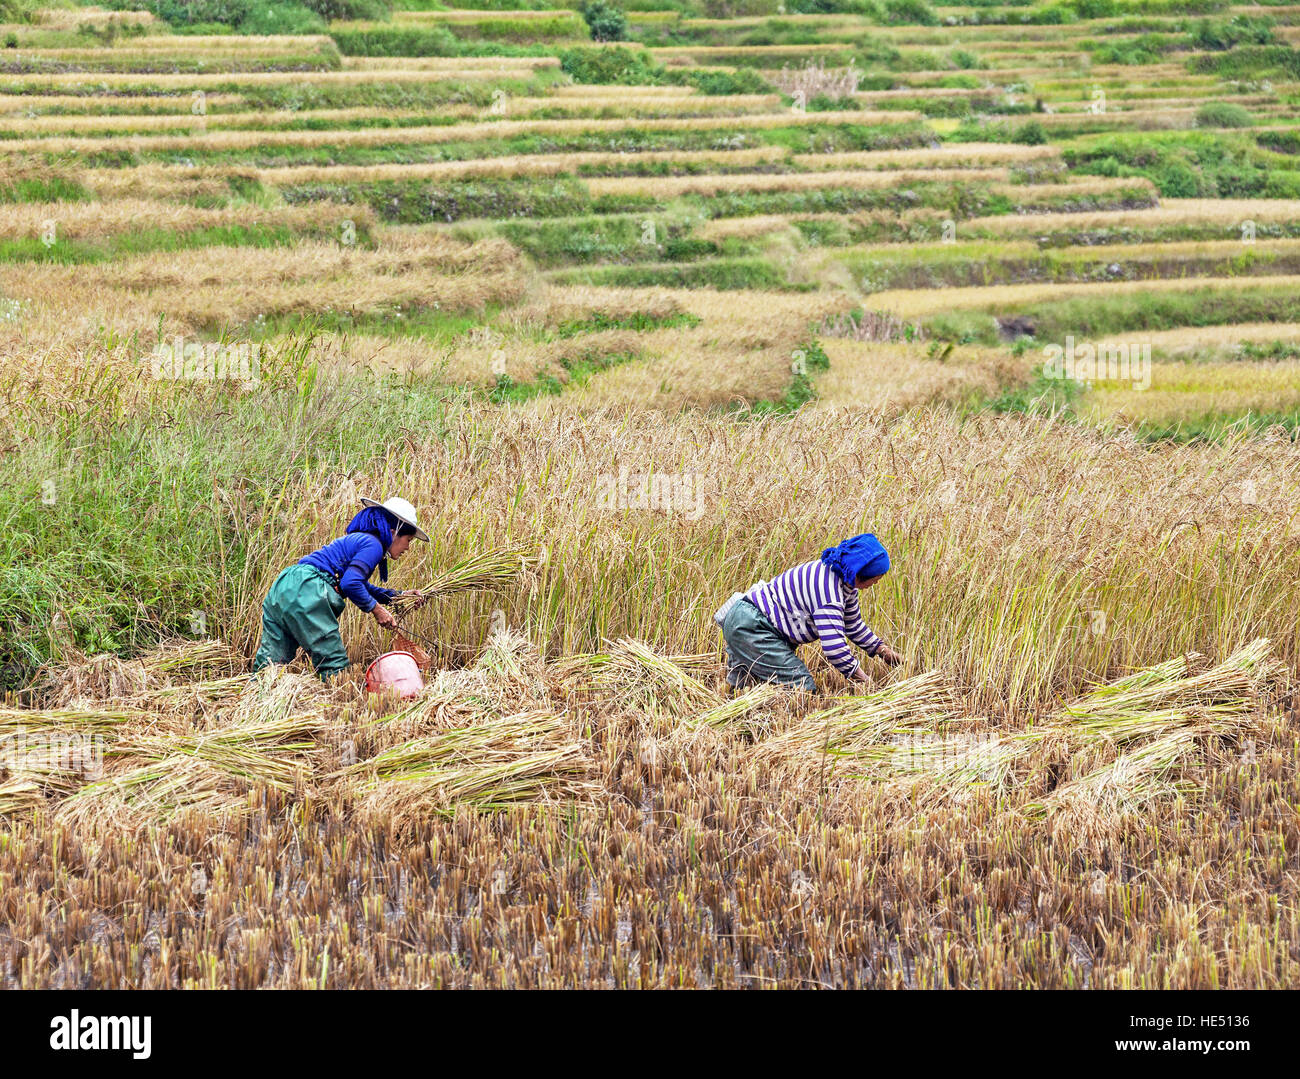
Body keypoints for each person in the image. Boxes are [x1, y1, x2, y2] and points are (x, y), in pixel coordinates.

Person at [252, 496, 428, 680]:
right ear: (394, 532)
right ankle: (339, 701)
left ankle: (256, 697)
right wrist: (377, 610)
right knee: (334, 666)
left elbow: (357, 583)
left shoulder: (360, 539)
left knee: (270, 662)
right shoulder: (374, 544)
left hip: (285, 585)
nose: (407, 547)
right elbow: (350, 583)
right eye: (408, 539)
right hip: (308, 590)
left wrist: (397, 596)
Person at [718, 533, 902, 693]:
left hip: (746, 620)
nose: (876, 583)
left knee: (746, 686)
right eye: (876, 578)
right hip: (753, 627)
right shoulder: (829, 593)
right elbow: (835, 649)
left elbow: (852, 625)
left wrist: (882, 650)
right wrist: (865, 682)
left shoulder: (843, 582)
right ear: (860, 573)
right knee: (801, 686)